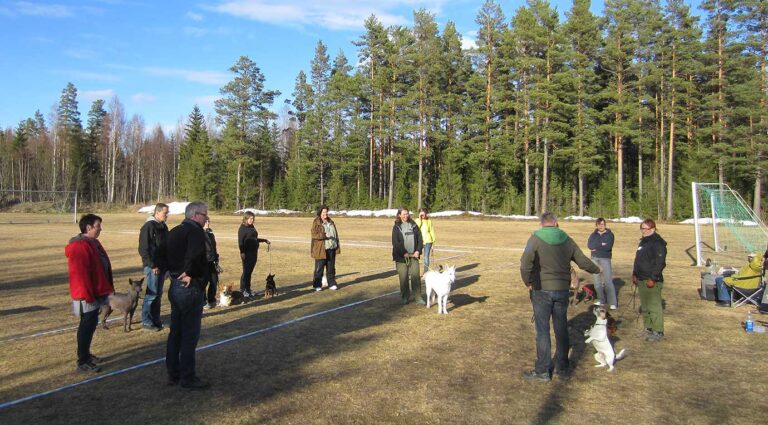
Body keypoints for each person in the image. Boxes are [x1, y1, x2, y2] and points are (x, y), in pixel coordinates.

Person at [520, 212, 600, 382]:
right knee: (561, 328)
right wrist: (597, 269)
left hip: (541, 290)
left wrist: (527, 281)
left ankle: (542, 371)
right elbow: (582, 260)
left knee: (542, 331)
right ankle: (562, 367)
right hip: (562, 290)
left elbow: (525, 262)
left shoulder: (535, 238)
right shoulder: (566, 238)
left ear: (542, 224)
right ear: (556, 223)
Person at [165, 201, 210, 390]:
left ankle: (173, 373)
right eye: (204, 215)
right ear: (195, 215)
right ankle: (187, 377)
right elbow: (194, 254)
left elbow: (160, 252)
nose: (206, 218)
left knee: (175, 332)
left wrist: (170, 270)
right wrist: (190, 272)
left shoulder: (175, 231)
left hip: (175, 286)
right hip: (189, 288)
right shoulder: (195, 232)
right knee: (189, 334)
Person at [65, 213, 115, 373]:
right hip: (86, 294)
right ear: (88, 227)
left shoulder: (93, 242)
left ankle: (86, 354)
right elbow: (79, 274)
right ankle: (83, 360)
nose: (100, 229)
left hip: (96, 292)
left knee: (91, 324)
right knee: (86, 325)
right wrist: (87, 295)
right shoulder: (79, 246)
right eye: (98, 226)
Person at [632, 218, 668, 342]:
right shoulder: (643, 242)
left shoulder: (658, 243)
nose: (643, 231)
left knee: (654, 306)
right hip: (641, 278)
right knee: (645, 306)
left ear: (652, 229)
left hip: (652, 280)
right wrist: (634, 274)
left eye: (645, 228)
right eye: (641, 228)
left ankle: (658, 331)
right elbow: (638, 259)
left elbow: (660, 263)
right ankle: (648, 328)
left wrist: (653, 278)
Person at [138, 203, 169, 331]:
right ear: (157, 213)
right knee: (151, 294)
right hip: (153, 267)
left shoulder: (164, 226)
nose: (167, 216)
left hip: (162, 265)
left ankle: (156, 319)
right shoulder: (148, 226)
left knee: (158, 294)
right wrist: (152, 265)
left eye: (167, 213)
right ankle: (146, 321)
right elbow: (143, 248)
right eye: (165, 213)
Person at [392, 207, 424, 305]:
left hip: (414, 256)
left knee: (415, 277)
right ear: (399, 215)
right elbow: (395, 242)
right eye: (404, 214)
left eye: (407, 214)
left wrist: (418, 251)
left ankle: (418, 297)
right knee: (403, 278)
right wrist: (404, 252)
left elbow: (420, 238)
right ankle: (405, 297)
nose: (406, 216)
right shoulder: (396, 227)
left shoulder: (413, 224)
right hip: (401, 257)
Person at [238, 211, 270, 297]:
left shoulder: (251, 227)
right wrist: (242, 252)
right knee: (246, 272)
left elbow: (254, 238)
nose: (252, 220)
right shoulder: (242, 228)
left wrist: (264, 240)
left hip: (253, 253)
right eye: (250, 218)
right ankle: (243, 290)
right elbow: (240, 242)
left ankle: (248, 289)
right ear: (246, 218)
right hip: (247, 254)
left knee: (250, 272)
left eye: (253, 218)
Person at [587, 217, 617, 309]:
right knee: (597, 281)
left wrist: (597, 246)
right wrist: (601, 244)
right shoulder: (593, 235)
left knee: (608, 281)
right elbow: (590, 245)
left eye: (603, 224)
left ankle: (612, 302)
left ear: (605, 225)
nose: (601, 226)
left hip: (605, 258)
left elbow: (607, 247)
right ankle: (601, 299)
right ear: (596, 225)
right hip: (594, 258)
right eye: (599, 224)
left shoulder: (610, 235)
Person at [311, 205, 340, 291]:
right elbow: (314, 234)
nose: (325, 213)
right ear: (320, 213)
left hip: (331, 248)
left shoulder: (331, 221)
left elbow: (335, 233)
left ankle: (331, 283)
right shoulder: (316, 222)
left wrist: (336, 244)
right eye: (324, 212)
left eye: (326, 212)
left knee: (331, 268)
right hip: (321, 249)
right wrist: (324, 236)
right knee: (319, 268)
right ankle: (317, 285)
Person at [202, 218, 223, 309]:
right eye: (206, 221)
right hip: (203, 262)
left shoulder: (210, 234)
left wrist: (216, 260)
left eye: (208, 221)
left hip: (212, 261)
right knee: (203, 282)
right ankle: (203, 301)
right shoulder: (199, 234)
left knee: (214, 281)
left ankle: (211, 299)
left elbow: (214, 248)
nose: (208, 223)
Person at [414, 208, 436, 273]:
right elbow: (416, 228)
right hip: (419, 241)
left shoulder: (429, 221)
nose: (422, 214)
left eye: (424, 213)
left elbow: (432, 232)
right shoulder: (417, 220)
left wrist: (433, 242)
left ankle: (425, 273)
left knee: (426, 257)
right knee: (416, 256)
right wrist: (420, 218)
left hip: (428, 241)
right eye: (421, 213)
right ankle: (415, 272)